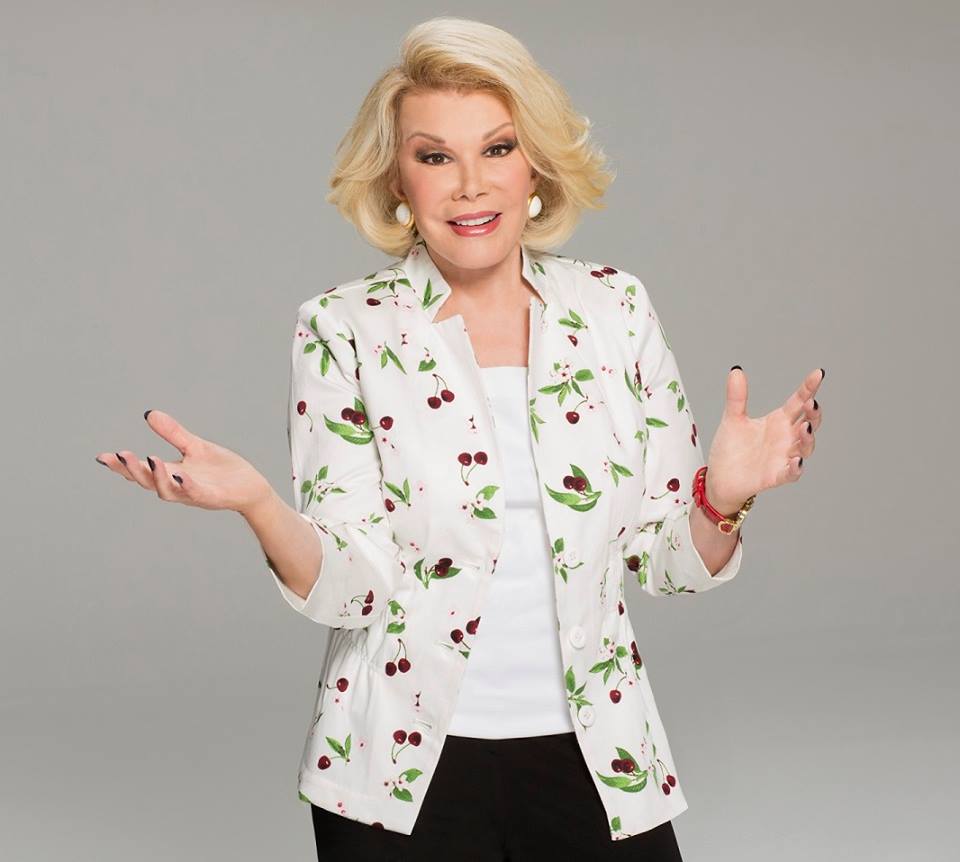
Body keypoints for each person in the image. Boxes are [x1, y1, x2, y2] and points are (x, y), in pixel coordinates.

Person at [95, 16, 825, 861]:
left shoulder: (615, 309)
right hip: (397, 771)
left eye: (498, 148)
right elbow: (353, 587)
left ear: (535, 167)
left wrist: (723, 499)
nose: (471, 185)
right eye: (436, 156)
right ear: (399, 182)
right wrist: (261, 505)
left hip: (600, 754)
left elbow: (667, 565)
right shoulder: (344, 327)